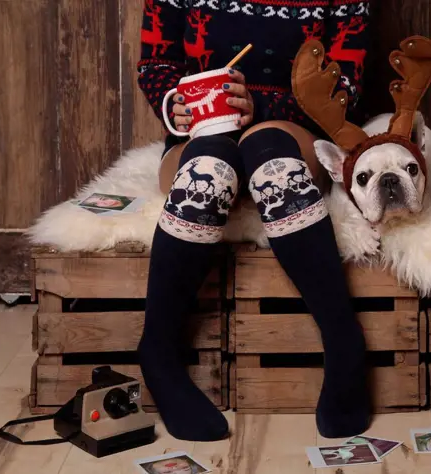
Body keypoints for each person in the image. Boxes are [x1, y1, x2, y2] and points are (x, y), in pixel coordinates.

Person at [135, 0, 373, 442]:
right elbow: (155, 64)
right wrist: (179, 105)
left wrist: (257, 106)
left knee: (273, 163)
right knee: (211, 165)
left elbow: (347, 88)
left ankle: (345, 343)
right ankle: (158, 350)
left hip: (288, 130)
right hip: (201, 135)